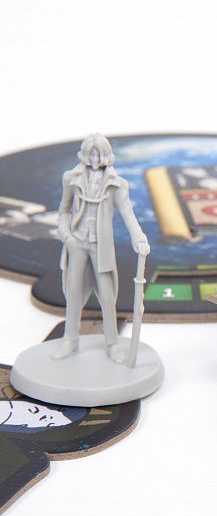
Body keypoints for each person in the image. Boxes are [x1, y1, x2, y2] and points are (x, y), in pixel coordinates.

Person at [53, 134, 150, 363]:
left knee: (107, 297)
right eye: (91, 154)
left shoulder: (117, 185)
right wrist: (67, 236)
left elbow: (128, 215)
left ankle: (112, 343)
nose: (95, 159)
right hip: (77, 243)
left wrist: (139, 238)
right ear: (85, 154)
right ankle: (70, 339)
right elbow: (64, 211)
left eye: (98, 154)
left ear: (105, 155)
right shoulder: (71, 178)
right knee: (73, 294)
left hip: (101, 248)